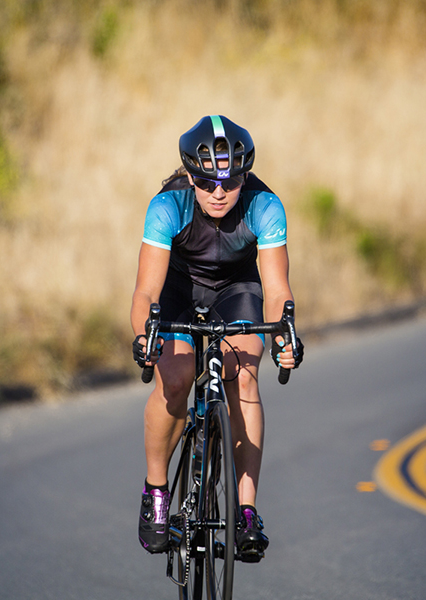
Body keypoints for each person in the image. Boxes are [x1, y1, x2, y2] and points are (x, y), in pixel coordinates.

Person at [131, 115, 303, 562]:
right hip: (178, 290)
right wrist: (145, 337)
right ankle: (156, 492)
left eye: (230, 182)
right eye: (207, 183)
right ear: (192, 176)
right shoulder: (167, 206)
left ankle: (246, 512)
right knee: (176, 377)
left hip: (236, 289)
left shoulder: (265, 206)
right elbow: (146, 291)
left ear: (244, 177)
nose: (219, 193)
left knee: (243, 375)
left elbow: (276, 291)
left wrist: (283, 337)